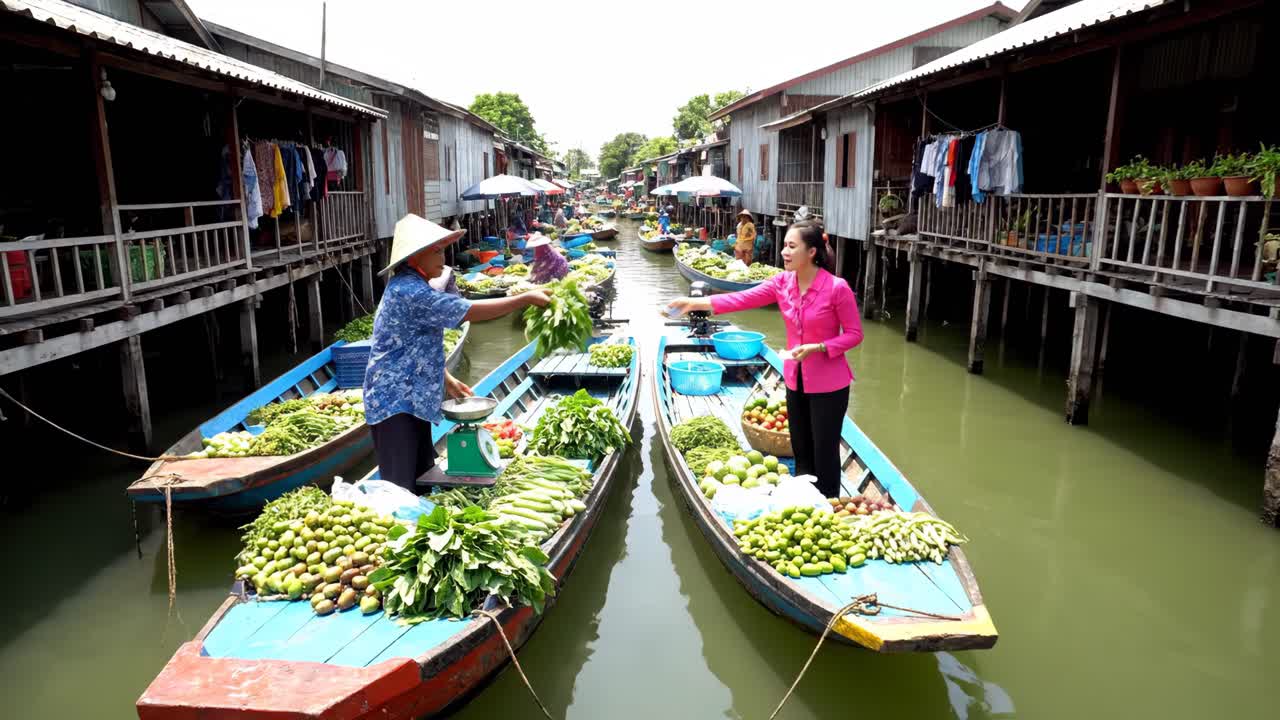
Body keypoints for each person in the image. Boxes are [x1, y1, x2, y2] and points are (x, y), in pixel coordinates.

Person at [665, 221, 862, 498]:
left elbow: (854, 335)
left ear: (812, 252)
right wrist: (692, 303)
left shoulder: (836, 288)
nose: (784, 252)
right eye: (784, 245)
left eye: (792, 246)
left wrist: (819, 347)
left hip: (830, 384)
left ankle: (829, 502)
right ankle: (806, 502)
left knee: (825, 449)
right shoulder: (782, 283)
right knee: (801, 448)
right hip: (796, 379)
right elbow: (741, 299)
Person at [363, 214, 550, 491]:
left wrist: (446, 379)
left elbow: (413, 345)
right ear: (415, 257)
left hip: (414, 397)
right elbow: (467, 311)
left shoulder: (413, 285)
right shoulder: (409, 291)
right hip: (394, 402)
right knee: (400, 487)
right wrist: (524, 298)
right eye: (436, 251)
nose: (444, 257)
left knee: (423, 475)